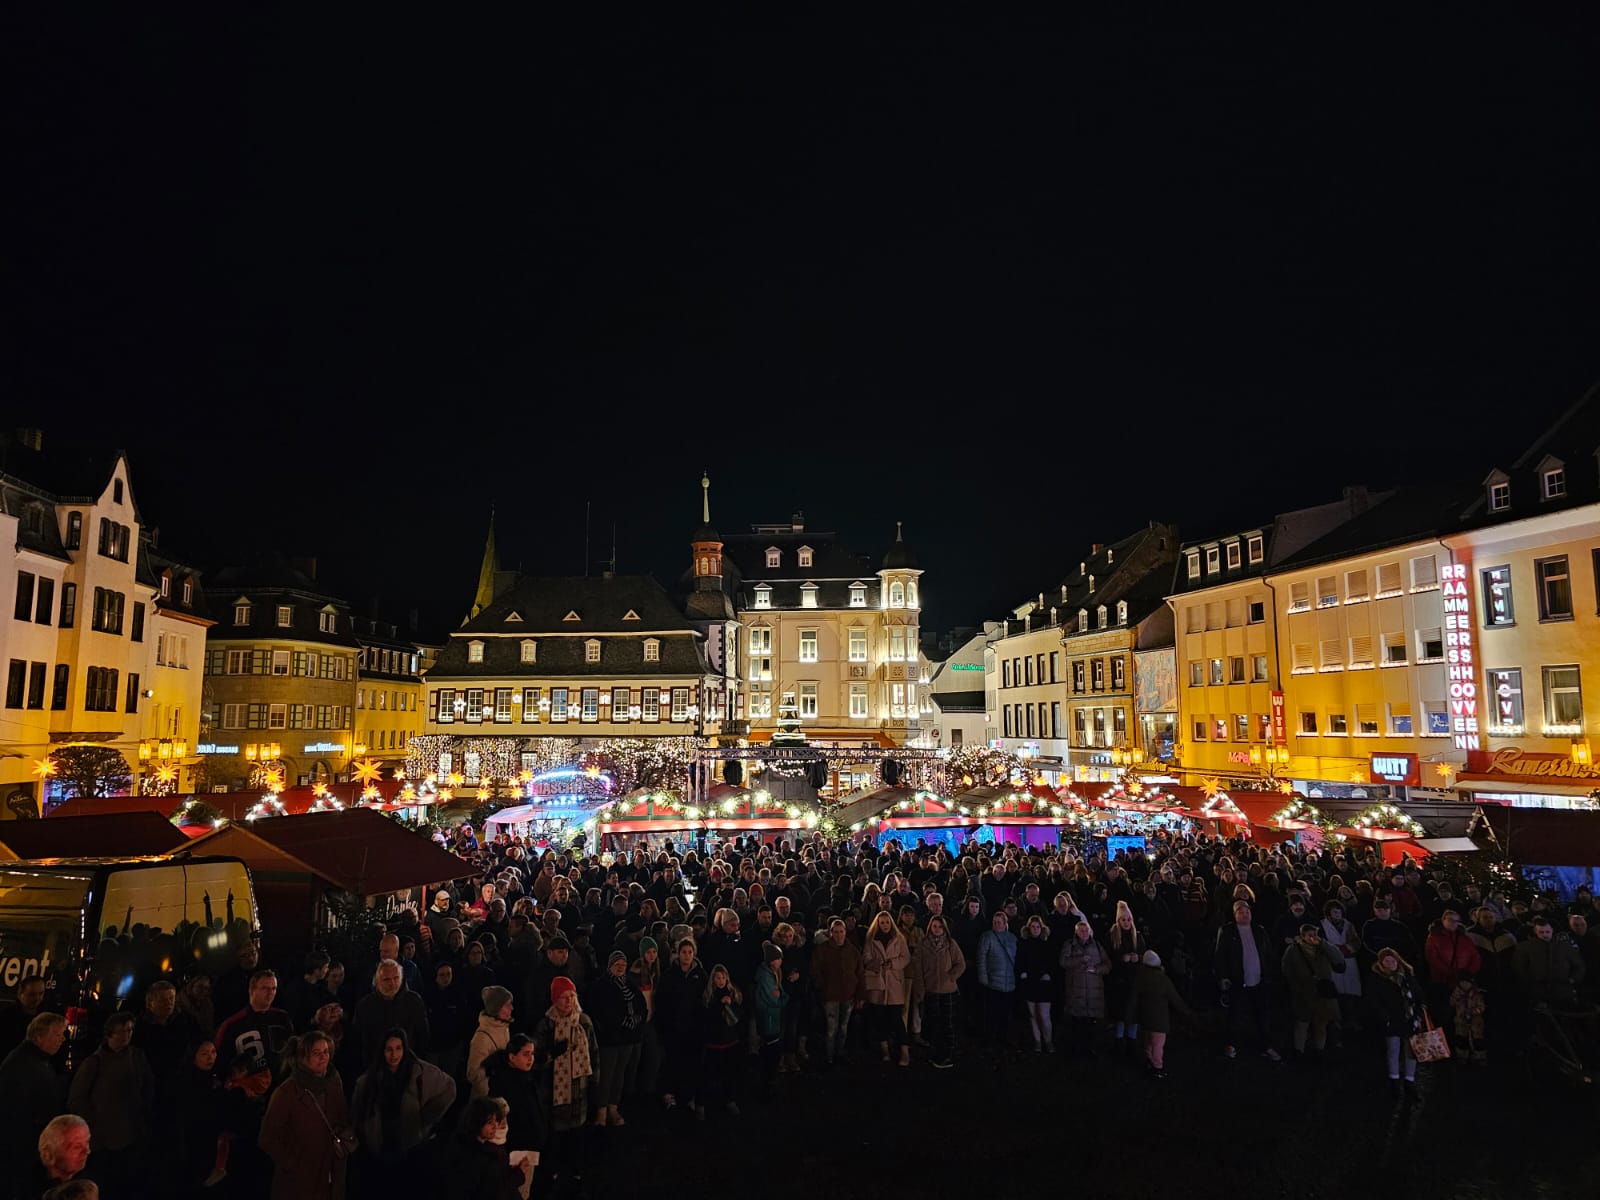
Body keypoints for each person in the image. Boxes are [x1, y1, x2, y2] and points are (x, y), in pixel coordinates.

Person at [350, 1028, 457, 1196]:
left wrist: (427, 1117)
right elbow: (358, 1111)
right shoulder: (369, 1080)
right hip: (380, 1148)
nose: (394, 1054)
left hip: (410, 1146)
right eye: (389, 1049)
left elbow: (449, 1088)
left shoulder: (418, 1072)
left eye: (398, 1048)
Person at [66, 1010, 154, 1199]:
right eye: (122, 1031)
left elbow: (147, 1087)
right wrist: (95, 1127)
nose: (127, 1035)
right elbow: (77, 1099)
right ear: (109, 1035)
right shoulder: (94, 1063)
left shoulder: (137, 1056)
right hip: (105, 1140)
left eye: (130, 1030)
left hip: (131, 1134)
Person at [258, 1031, 355, 1200]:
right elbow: (267, 1137)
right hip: (299, 1180)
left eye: (325, 1052)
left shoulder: (333, 1080)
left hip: (331, 1169)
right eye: (316, 1053)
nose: (323, 1057)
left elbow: (342, 1115)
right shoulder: (286, 1092)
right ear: (302, 1057)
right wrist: (294, 1164)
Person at [531, 976, 596, 1194]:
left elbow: (593, 1053)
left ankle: (577, 1167)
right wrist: (551, 1053)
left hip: (579, 1086)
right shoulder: (546, 1025)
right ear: (554, 1000)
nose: (568, 1001)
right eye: (563, 997)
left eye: (571, 996)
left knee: (577, 1132)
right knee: (556, 1133)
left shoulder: (584, 1022)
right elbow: (537, 1059)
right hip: (554, 1088)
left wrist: (595, 1080)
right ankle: (554, 1169)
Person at [0, 1013, 70, 1181]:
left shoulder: (36, 1060)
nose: (62, 1040)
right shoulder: (24, 1065)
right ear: (39, 1036)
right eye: (57, 1034)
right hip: (24, 1151)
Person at [1215, 899, 1281, 1061]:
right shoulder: (1227, 931)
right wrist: (1223, 976)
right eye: (1240, 912)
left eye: (1247, 911)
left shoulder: (1259, 930)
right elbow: (1220, 955)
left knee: (1262, 1015)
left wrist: (1269, 974)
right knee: (1235, 1014)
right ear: (1234, 914)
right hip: (1237, 980)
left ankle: (1266, 1046)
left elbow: (1268, 953)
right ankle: (1231, 1044)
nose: (1245, 914)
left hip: (1259, 980)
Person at [423, 1095, 526, 1200]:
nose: (495, 1126)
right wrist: (519, 1174)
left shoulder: (464, 1143)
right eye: (490, 1122)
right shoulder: (478, 1157)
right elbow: (496, 1191)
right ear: (477, 1123)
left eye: (496, 1120)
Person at [482, 1034, 546, 1199]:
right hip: (515, 1150)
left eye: (532, 1054)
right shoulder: (504, 1084)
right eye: (525, 1054)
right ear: (512, 1057)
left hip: (528, 1146)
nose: (530, 1059)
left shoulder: (527, 1079)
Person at [588, 949, 646, 1126]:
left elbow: (641, 1006)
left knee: (619, 1073)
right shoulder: (602, 986)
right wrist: (620, 1022)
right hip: (610, 1038)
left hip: (627, 1037)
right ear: (610, 966)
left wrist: (636, 1019)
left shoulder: (630, 984)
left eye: (623, 965)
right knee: (606, 1074)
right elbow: (602, 1011)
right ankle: (601, 1110)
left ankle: (613, 1106)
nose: (620, 968)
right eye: (617, 965)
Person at [214, 969, 296, 1083]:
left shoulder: (282, 1017)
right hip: (248, 1090)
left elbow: (292, 1050)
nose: (270, 993)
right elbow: (221, 1060)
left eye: (273, 988)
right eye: (265, 988)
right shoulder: (232, 1025)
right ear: (252, 990)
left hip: (281, 1083)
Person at [1125, 949, 1196, 1079]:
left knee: (1147, 1042)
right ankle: (1157, 1067)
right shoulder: (1163, 979)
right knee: (1157, 1045)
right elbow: (1175, 998)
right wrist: (1188, 1012)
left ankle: (1148, 1062)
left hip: (1145, 1017)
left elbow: (1133, 999)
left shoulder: (1140, 978)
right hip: (1160, 1020)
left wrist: (1129, 1017)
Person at [655, 937, 708, 1112]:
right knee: (673, 1061)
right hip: (674, 1026)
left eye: (690, 952)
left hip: (693, 1026)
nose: (687, 955)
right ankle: (669, 1094)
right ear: (678, 954)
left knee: (690, 1062)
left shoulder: (700, 974)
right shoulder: (670, 975)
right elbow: (662, 999)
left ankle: (687, 1095)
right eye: (684, 952)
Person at [1365, 947, 1424, 1100]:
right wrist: (1385, 1018)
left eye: (1393, 960)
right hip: (1391, 1021)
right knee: (1393, 1050)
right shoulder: (1377, 979)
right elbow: (1374, 1001)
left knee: (1411, 1051)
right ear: (1381, 963)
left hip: (1409, 1019)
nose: (1391, 963)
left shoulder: (1407, 976)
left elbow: (1418, 996)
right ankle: (1394, 1079)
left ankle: (1409, 1081)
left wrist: (1418, 1014)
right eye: (1387, 961)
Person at [1280, 923, 1346, 1062]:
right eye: (1310, 935)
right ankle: (1299, 1052)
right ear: (1303, 936)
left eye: (1315, 934)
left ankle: (1319, 1050)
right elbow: (1287, 970)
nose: (1313, 938)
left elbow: (1339, 960)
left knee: (1321, 1022)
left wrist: (1323, 944)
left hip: (1322, 992)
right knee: (1302, 1023)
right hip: (1303, 992)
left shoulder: (1323, 948)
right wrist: (1296, 986)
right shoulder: (1293, 951)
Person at [352, 959, 431, 1068]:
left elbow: (422, 1035)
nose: (392, 984)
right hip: (375, 1067)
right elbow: (358, 1040)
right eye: (387, 979)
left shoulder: (414, 1001)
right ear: (378, 981)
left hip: (407, 1065)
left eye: (396, 978)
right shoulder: (365, 1005)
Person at [809, 917, 865, 1067]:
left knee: (843, 1027)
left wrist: (859, 995)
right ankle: (829, 1057)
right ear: (831, 933)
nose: (839, 935)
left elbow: (859, 973)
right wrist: (822, 987)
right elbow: (815, 971)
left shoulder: (853, 951)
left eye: (841, 931)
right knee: (831, 1028)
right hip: (830, 996)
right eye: (836, 932)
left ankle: (839, 1053)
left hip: (848, 995)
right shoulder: (822, 950)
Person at [861, 911, 911, 1067]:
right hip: (878, 983)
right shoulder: (871, 940)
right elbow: (866, 958)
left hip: (894, 983)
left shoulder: (899, 939)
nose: (884, 925)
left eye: (887, 922)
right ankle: (885, 1051)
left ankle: (904, 1051)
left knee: (897, 1019)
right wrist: (877, 964)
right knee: (879, 1019)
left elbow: (906, 957)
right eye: (882, 922)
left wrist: (893, 964)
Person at [1060, 917, 1112, 1058]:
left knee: (1091, 1025)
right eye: (1081, 930)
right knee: (1077, 1024)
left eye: (1086, 930)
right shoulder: (1070, 944)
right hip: (1076, 990)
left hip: (1093, 992)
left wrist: (1096, 969)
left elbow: (1108, 965)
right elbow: (1063, 962)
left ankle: (1090, 1049)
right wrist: (1080, 959)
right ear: (1076, 932)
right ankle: (1077, 1050)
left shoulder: (1097, 945)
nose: (1084, 933)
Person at [698, 963, 744, 1117]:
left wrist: (730, 1005)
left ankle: (729, 1100)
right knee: (709, 1073)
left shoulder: (733, 994)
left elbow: (738, 1016)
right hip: (714, 1040)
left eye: (723, 977)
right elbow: (707, 1016)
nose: (721, 980)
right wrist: (720, 1005)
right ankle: (703, 1103)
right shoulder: (709, 996)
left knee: (729, 1073)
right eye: (718, 977)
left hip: (729, 1040)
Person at [1105, 901, 1147, 1056]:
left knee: (1134, 1012)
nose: (1127, 923)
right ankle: (1119, 1040)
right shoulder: (1112, 936)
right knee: (1120, 1013)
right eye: (1123, 920)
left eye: (1129, 920)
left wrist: (1138, 958)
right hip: (1119, 980)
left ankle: (1131, 1039)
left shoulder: (1138, 936)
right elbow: (1108, 956)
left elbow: (1144, 954)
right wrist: (1121, 959)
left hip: (1134, 979)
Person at [21, 1115, 93, 1200]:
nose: (87, 1151)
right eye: (76, 1147)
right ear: (48, 1155)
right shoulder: (27, 1189)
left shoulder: (93, 1181)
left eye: (87, 1143)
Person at [1015, 913, 1057, 1053]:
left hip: (1043, 983)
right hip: (1030, 982)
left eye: (1037, 926)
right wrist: (1023, 973)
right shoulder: (1024, 944)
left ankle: (1048, 1041)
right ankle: (1037, 1041)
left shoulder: (1048, 944)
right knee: (1033, 1014)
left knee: (1044, 1015)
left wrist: (1047, 974)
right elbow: (1020, 961)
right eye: (1032, 927)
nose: (1035, 929)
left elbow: (1052, 963)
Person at [466, 986, 515, 1099]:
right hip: (487, 1099)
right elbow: (472, 1074)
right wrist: (490, 1068)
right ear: (496, 1008)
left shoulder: (503, 1027)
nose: (511, 1008)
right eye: (507, 1005)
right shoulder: (482, 1038)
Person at [752, 941, 789, 1086]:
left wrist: (781, 995)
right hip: (769, 1018)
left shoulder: (770, 974)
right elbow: (774, 999)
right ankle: (767, 1083)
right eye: (778, 958)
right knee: (771, 1052)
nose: (780, 961)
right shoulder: (767, 977)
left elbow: (779, 994)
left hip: (771, 1018)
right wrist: (784, 999)